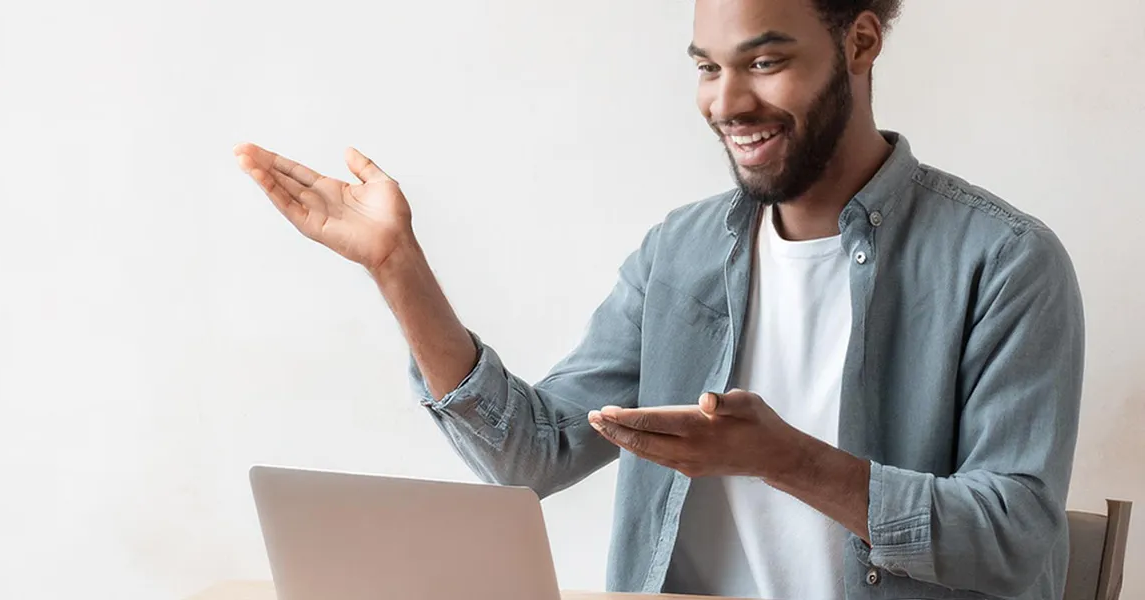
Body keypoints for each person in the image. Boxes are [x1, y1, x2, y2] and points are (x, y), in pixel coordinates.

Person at [231, 0, 1084, 598]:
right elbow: (533, 455)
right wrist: (397, 267)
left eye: (765, 61)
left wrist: (784, 458)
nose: (727, 102)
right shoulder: (682, 253)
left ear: (860, 42)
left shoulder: (1004, 262)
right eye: (709, 67)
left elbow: (1014, 538)